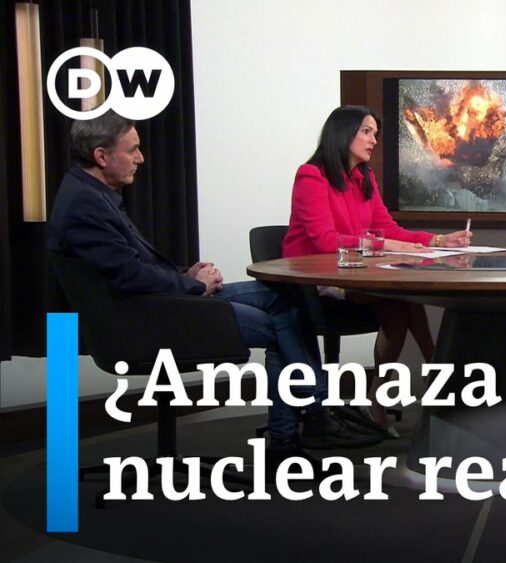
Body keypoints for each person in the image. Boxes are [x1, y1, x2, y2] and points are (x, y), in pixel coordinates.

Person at [47, 112, 383, 475]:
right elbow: (129, 276)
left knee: (285, 298)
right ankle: (305, 422)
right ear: (101, 156)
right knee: (278, 322)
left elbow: (132, 266)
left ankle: (305, 424)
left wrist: (186, 273)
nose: (140, 158)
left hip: (156, 301)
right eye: (132, 150)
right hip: (142, 319)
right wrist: (194, 286)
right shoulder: (85, 206)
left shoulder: (93, 195)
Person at [282, 105, 471, 431]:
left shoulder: (364, 177)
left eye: (375, 134)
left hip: (354, 275)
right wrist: (386, 246)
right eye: (366, 132)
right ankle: (435, 377)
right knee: (402, 301)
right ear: (343, 133)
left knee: (402, 302)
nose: (373, 141)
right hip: (315, 282)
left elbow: (389, 229)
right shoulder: (311, 175)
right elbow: (325, 241)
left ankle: (409, 388)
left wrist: (439, 239)